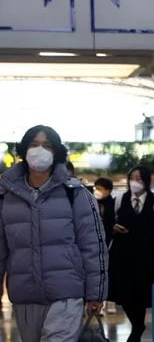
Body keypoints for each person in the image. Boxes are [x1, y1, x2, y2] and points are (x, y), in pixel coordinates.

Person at [0, 125, 108, 341]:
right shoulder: (6, 196)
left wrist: (96, 293)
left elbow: (93, 246)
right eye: (33, 145)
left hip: (66, 294)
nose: (39, 150)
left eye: (46, 145)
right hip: (24, 296)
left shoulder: (75, 194)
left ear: (56, 152)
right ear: (23, 150)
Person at [108, 165, 154, 342]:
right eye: (132, 178)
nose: (135, 182)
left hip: (146, 256)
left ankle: (137, 328)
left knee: (141, 294)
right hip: (122, 256)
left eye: (139, 178)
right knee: (126, 294)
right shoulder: (119, 200)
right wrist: (112, 228)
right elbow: (105, 223)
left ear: (146, 181)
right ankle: (138, 325)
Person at [94, 177, 118, 315]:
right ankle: (97, 304)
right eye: (95, 188)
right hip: (95, 244)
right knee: (97, 274)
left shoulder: (114, 204)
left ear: (108, 190)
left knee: (110, 273)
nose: (97, 191)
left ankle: (111, 302)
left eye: (100, 189)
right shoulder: (91, 203)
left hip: (110, 243)